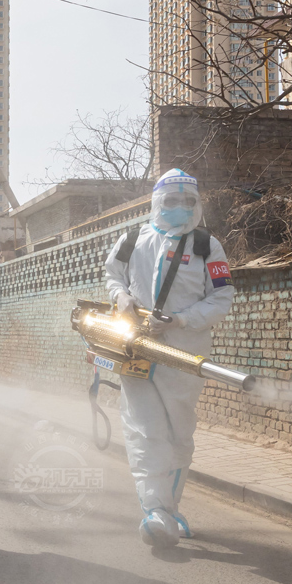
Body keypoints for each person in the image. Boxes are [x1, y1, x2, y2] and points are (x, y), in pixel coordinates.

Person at [105, 169, 235, 547]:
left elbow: (222, 297)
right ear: (157, 202)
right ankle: (155, 511)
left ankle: (170, 509)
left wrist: (181, 320)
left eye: (189, 201)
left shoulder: (208, 246)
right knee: (146, 429)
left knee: (179, 431)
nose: (181, 208)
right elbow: (112, 274)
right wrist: (121, 297)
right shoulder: (132, 239)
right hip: (138, 349)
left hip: (184, 352)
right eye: (172, 201)